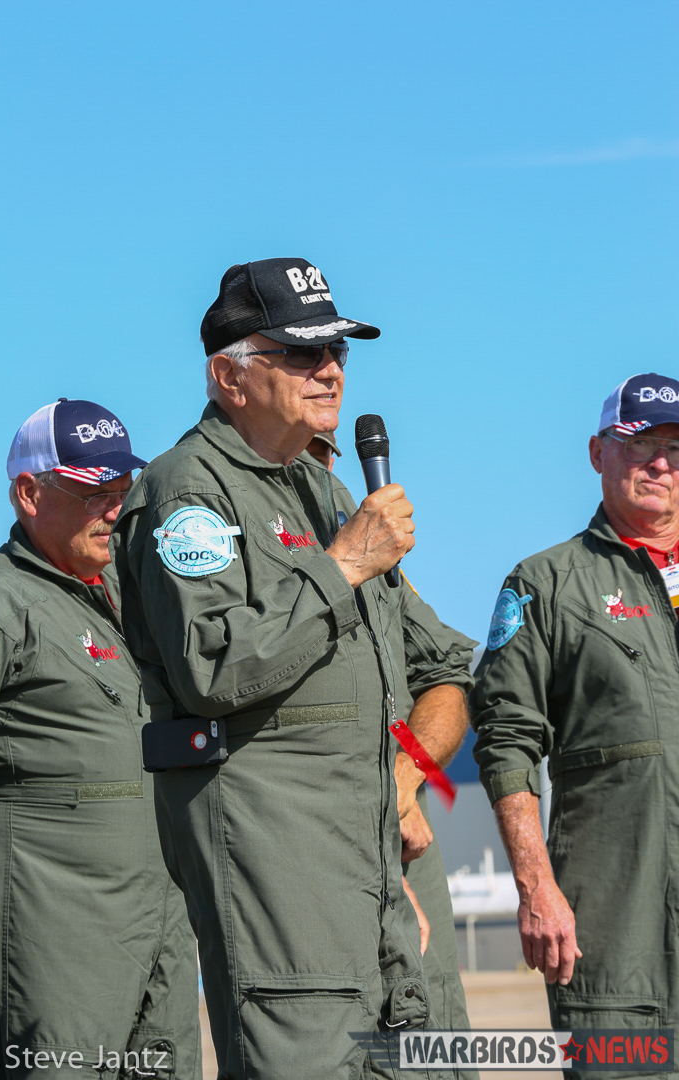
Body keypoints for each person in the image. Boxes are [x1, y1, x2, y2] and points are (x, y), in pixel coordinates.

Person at [111, 258, 444, 1080]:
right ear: (230, 375)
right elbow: (212, 669)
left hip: (363, 874)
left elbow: (432, 659)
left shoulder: (325, 492)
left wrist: (412, 772)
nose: (328, 369)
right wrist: (344, 567)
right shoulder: (186, 491)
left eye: (336, 350)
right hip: (277, 876)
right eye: (299, 353)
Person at [0, 398, 202, 1080]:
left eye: (120, 491)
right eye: (92, 490)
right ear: (28, 492)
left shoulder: (138, 599)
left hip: (158, 924)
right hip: (54, 938)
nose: (112, 509)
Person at [471, 373, 679, 1064]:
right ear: (597, 453)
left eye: (675, 447)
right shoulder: (547, 585)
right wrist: (536, 887)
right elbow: (505, 742)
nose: (659, 462)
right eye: (639, 442)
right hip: (615, 930)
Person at [305, 429, 479, 1051]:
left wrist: (404, 780)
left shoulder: (378, 565)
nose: (315, 469)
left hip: (403, 827)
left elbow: (447, 674)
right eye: (300, 453)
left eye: (326, 455)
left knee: (435, 1027)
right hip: (312, 842)